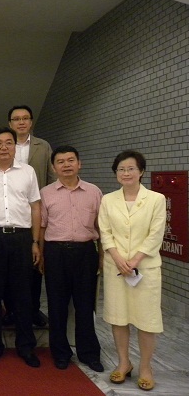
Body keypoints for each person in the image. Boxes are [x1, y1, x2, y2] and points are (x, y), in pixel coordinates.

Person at [0, 126, 41, 368]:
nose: (4, 147)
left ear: (15, 146)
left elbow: (35, 207)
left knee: (22, 295)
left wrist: (35, 241)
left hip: (21, 239)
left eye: (8, 143)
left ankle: (26, 346)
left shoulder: (28, 172)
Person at [98, 150, 165, 392]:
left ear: (141, 172)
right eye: (121, 170)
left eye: (131, 169)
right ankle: (124, 362)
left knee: (146, 320)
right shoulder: (108, 200)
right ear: (116, 173)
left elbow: (155, 234)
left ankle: (146, 367)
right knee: (119, 317)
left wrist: (135, 260)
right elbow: (105, 233)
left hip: (144, 268)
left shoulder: (157, 199)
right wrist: (117, 257)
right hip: (116, 267)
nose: (126, 173)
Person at [40, 146, 103, 372]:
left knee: (85, 306)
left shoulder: (94, 192)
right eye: (60, 161)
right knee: (57, 306)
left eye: (70, 160)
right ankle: (61, 352)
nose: (66, 165)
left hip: (86, 252)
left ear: (79, 163)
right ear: (54, 167)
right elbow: (42, 226)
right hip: (55, 253)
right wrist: (40, 252)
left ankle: (89, 353)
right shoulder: (46, 193)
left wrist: (102, 257)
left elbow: (101, 228)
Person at [7, 105, 56, 327]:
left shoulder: (43, 146)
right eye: (16, 119)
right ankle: (9, 310)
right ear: (10, 123)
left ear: (31, 122)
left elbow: (51, 178)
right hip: (10, 213)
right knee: (9, 268)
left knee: (34, 264)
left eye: (25, 118)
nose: (21, 122)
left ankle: (33, 309)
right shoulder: (4, 146)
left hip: (36, 212)